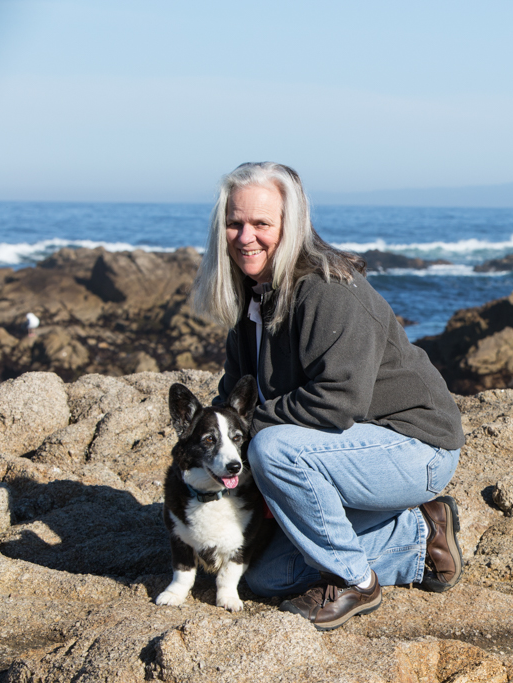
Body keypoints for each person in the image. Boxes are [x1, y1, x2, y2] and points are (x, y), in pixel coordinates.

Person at [189, 161, 465, 630]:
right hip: (336, 450)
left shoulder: (328, 289)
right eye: (234, 223)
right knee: (264, 575)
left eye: (261, 224)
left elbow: (336, 403)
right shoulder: (249, 296)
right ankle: (419, 533)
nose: (244, 237)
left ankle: (355, 580)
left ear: (290, 225)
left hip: (414, 446)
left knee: (271, 448)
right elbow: (236, 398)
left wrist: (249, 446)